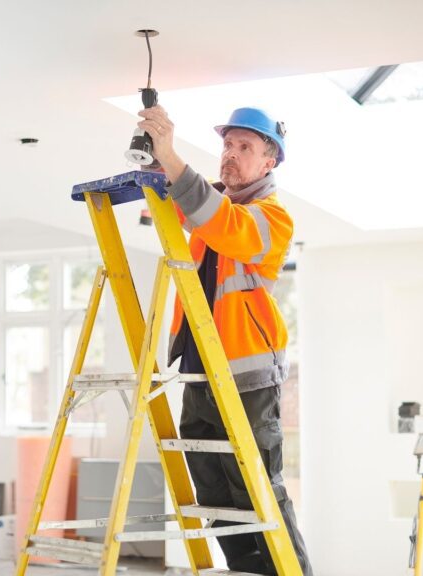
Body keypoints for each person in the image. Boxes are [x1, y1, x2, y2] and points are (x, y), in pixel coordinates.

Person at [136, 105, 313, 575]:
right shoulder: (211, 206)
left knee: (255, 486)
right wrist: (155, 158)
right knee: (213, 491)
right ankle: (247, 570)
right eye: (228, 145)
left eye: (245, 148)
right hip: (199, 370)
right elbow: (171, 211)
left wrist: (173, 159)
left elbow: (224, 227)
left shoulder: (272, 219)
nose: (230, 156)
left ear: (268, 162)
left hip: (246, 377)